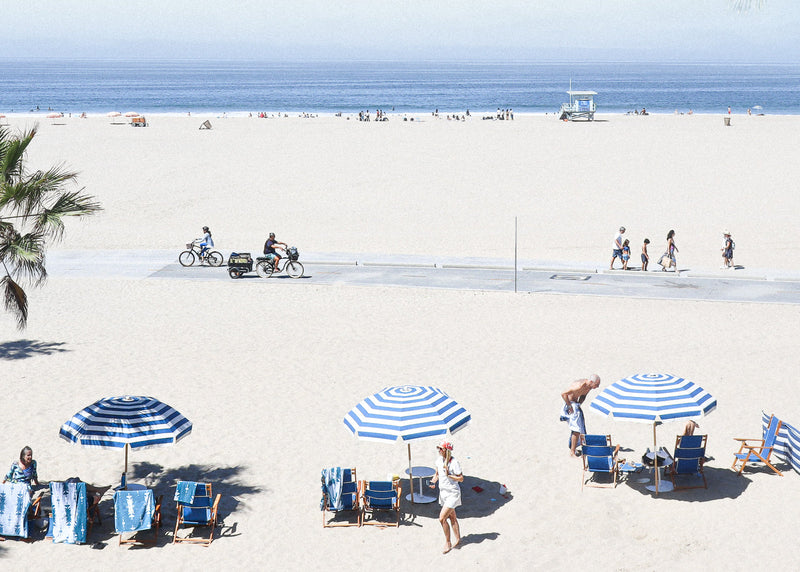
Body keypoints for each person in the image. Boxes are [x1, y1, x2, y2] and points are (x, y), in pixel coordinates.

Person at [429, 441, 463, 554]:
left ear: (446, 450)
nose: (438, 450)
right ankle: (458, 539)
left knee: (442, 518)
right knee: (452, 516)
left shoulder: (454, 463)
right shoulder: (439, 461)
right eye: (438, 448)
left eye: (440, 448)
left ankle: (448, 542)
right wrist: (433, 482)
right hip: (443, 493)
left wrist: (450, 475)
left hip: (453, 493)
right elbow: (437, 474)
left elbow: (461, 478)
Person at [561, 375, 601, 457]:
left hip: (575, 405)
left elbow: (583, 396)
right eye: (596, 385)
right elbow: (563, 394)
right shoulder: (578, 386)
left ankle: (575, 448)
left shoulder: (589, 387)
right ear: (591, 382)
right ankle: (572, 452)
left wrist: (579, 404)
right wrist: (569, 406)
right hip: (570, 405)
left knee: (581, 429)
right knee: (576, 429)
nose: (597, 387)